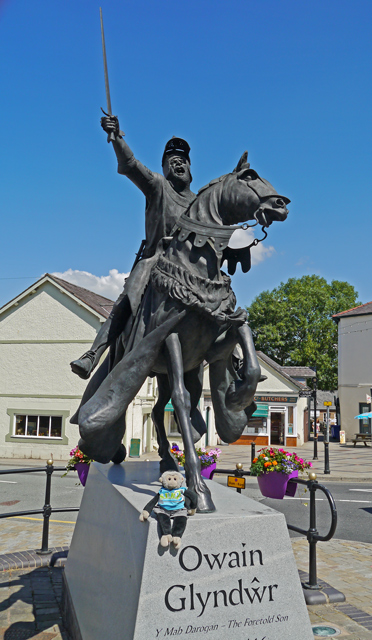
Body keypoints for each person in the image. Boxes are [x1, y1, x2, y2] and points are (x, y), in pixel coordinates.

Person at [70, 116, 196, 380]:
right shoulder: (158, 185)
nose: (179, 163)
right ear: (164, 168)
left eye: (183, 160)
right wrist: (116, 138)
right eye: (172, 161)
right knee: (129, 296)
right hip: (156, 262)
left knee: (222, 300)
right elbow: (129, 165)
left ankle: (236, 362)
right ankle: (94, 354)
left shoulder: (200, 203)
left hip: (191, 271)